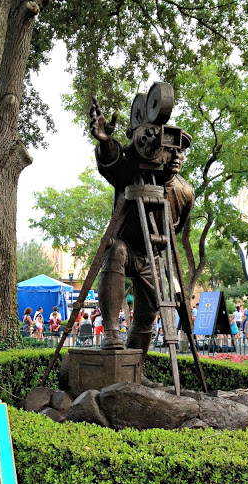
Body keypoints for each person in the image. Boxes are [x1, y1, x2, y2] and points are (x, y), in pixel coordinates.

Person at [89, 95, 195, 365]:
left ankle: (134, 368)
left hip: (154, 255)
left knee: (147, 314)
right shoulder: (132, 172)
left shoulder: (185, 191)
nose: (175, 156)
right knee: (116, 252)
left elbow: (178, 228)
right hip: (127, 245)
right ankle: (112, 333)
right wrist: (106, 143)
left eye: (179, 151)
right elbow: (111, 163)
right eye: (169, 149)